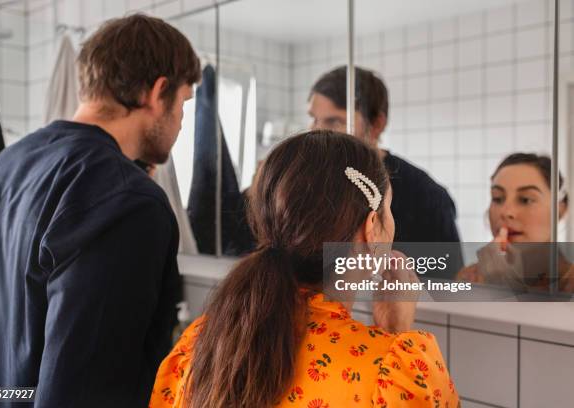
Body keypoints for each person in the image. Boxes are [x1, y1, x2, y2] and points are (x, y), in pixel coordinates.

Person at [0, 14, 201, 407]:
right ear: (158, 93)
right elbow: (85, 391)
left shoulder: (9, 164)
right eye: (183, 103)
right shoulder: (130, 202)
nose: (179, 123)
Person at [150, 130, 460, 407]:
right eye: (387, 209)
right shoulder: (393, 371)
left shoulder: (200, 344)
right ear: (371, 229)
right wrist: (396, 336)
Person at [307, 67, 462, 278]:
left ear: (377, 124)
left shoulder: (426, 197)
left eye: (334, 121)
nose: (317, 133)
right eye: (314, 119)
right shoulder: (310, 186)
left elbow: (447, 289)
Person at [458, 153, 574, 292]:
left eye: (525, 199)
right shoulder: (469, 277)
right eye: (498, 198)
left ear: (560, 209)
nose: (506, 212)